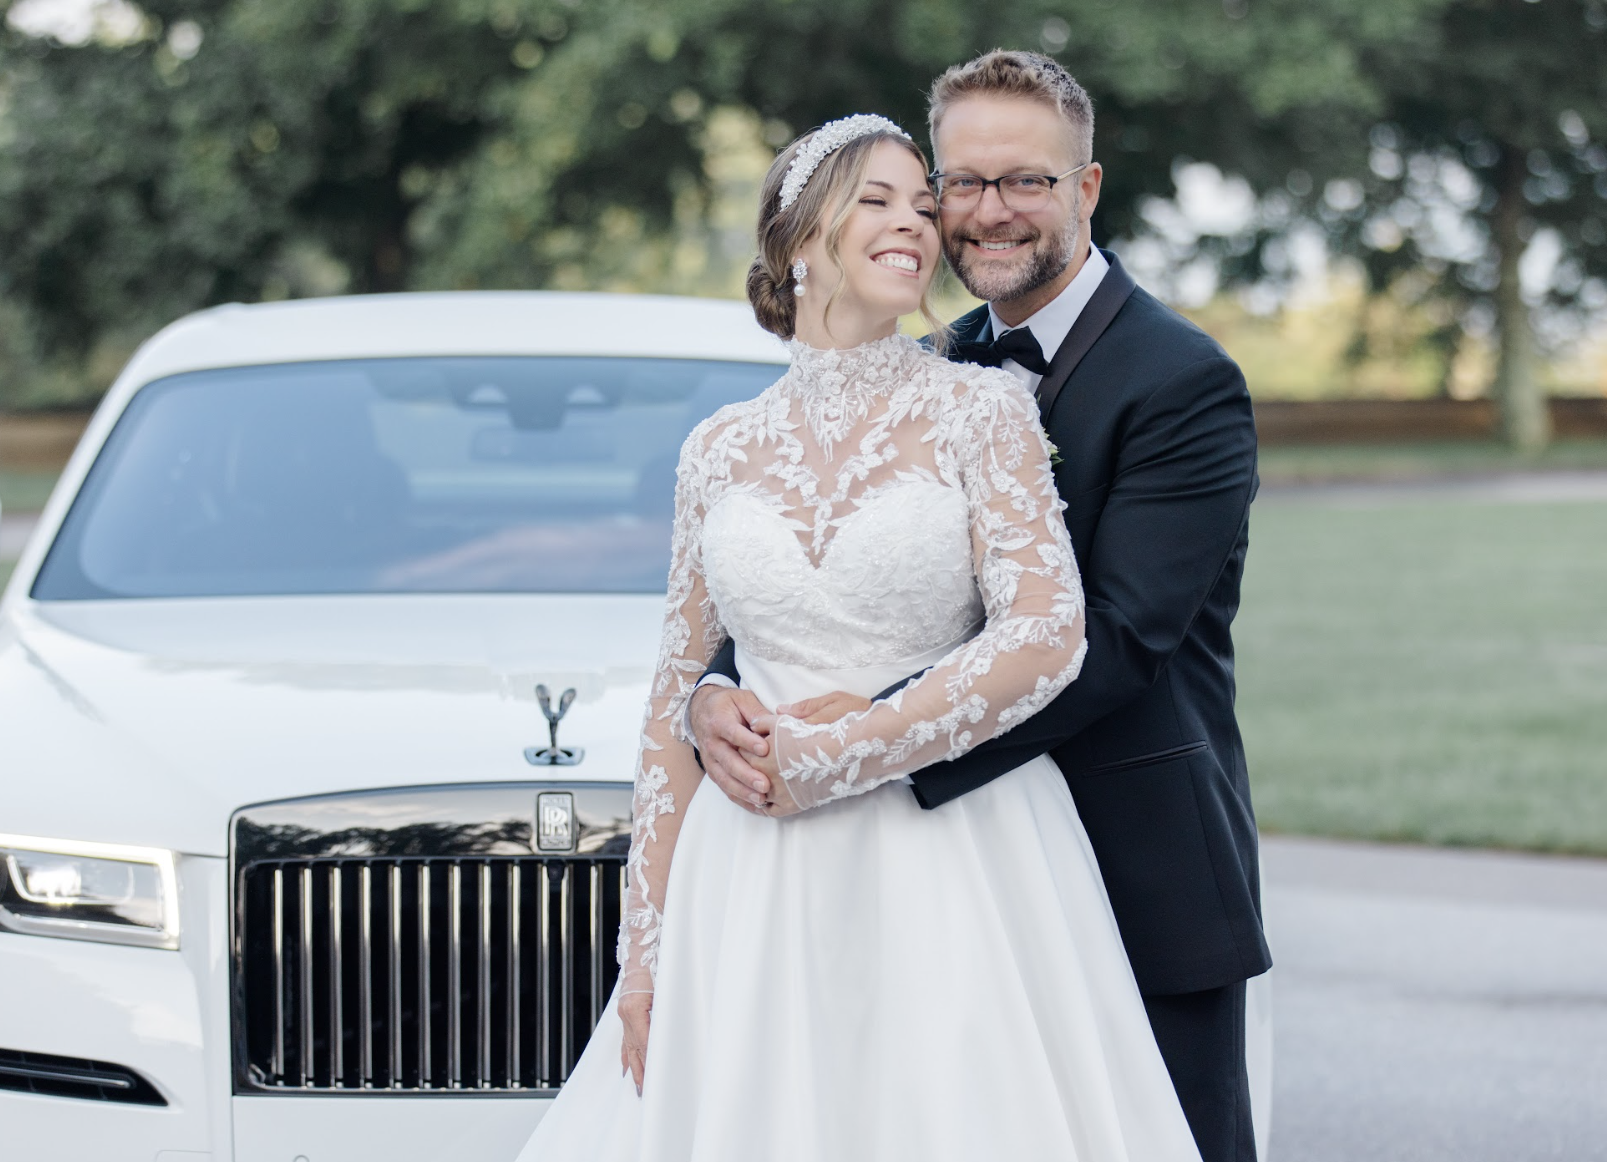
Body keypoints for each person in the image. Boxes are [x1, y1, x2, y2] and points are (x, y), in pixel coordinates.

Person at [515, 105, 1202, 1162]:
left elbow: (1045, 633)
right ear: (797, 242)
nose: (913, 223)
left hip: (951, 852)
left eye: (921, 205)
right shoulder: (716, 448)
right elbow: (674, 693)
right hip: (744, 880)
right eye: (873, 200)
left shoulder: (982, 411)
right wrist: (641, 956)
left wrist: (840, 751)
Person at [690, 51, 1270, 1162]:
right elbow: (827, 570)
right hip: (927, 868)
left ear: (1086, 190)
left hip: (1126, 854)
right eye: (961, 181)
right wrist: (719, 692)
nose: (988, 211)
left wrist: (850, 742)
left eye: (1026, 182)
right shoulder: (931, 366)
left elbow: (1116, 643)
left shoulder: (1181, 381)